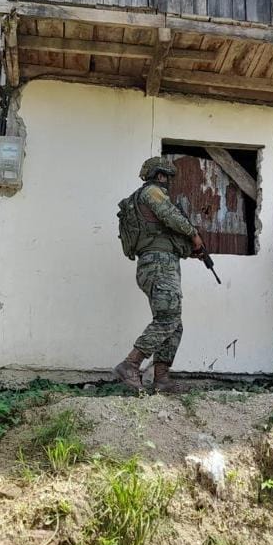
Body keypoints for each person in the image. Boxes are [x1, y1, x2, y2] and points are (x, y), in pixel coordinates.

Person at [114, 157, 204, 393]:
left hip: (159, 264)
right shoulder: (151, 193)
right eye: (166, 176)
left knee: (175, 325)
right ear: (160, 175)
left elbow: (160, 233)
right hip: (158, 265)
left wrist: (187, 249)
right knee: (168, 319)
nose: (168, 181)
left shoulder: (147, 197)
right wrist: (194, 235)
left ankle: (161, 379)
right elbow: (170, 217)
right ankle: (130, 364)